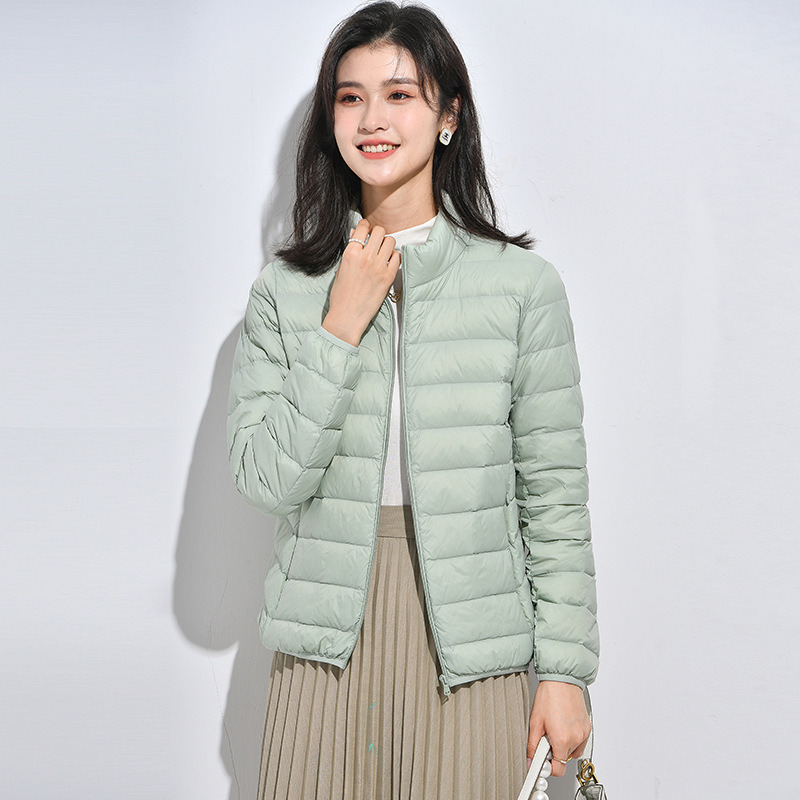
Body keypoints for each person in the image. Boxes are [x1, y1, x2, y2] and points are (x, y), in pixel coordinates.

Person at [226, 2, 599, 798]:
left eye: (399, 94)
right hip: (323, 649)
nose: (372, 118)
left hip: (474, 651)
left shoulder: (521, 288)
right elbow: (264, 480)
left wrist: (565, 672)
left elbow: (555, 497)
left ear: (448, 114)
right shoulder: (285, 293)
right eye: (350, 97)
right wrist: (340, 325)